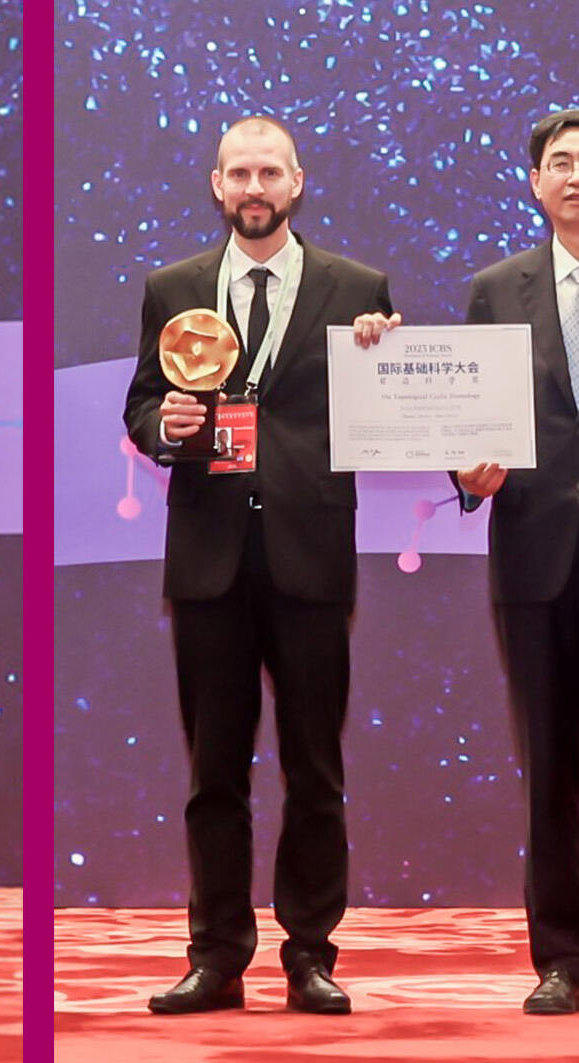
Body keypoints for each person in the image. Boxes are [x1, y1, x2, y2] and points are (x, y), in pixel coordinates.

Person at [125, 115, 398, 1015]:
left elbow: (381, 410)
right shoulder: (171, 289)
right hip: (207, 561)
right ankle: (215, 957)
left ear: (296, 182)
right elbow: (142, 406)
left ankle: (309, 954)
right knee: (214, 774)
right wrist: (162, 427)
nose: (253, 187)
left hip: (309, 557)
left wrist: (384, 356)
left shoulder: (357, 290)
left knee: (314, 771)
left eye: (268, 173)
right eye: (238, 173)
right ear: (216, 185)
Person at [457, 107, 579, 1015]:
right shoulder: (497, 289)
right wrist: (464, 472)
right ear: (534, 182)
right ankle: (562, 956)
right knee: (552, 763)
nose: (576, 176)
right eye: (561, 162)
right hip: (538, 558)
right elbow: (467, 421)